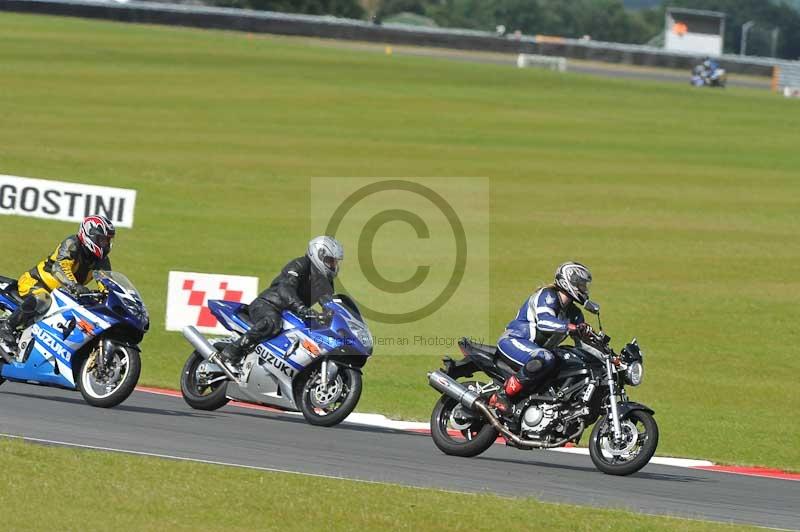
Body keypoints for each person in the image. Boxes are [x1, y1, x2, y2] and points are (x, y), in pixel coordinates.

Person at [489, 262, 593, 414]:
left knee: (568, 362)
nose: (584, 289)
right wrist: (569, 327)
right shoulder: (548, 295)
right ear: (569, 282)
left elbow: (583, 344)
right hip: (514, 340)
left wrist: (610, 358)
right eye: (581, 284)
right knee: (546, 357)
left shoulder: (574, 313)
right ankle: (502, 395)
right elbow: (545, 322)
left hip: (536, 351)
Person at [221, 236, 344, 365]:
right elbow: (285, 288)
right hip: (268, 305)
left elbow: (328, 301)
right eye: (330, 261)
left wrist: (335, 317)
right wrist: (301, 308)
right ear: (319, 255)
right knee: (272, 322)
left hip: (292, 314)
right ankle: (231, 352)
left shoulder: (326, 282)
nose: (333, 265)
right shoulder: (300, 265)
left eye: (335, 262)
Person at [0, 216, 115, 348]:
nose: (106, 244)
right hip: (36, 283)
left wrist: (109, 296)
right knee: (43, 299)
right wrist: (74, 285)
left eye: (108, 240)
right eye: (102, 240)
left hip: (61, 294)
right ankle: (7, 327)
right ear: (89, 235)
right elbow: (60, 267)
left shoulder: (102, 261)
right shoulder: (73, 244)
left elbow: (106, 281)